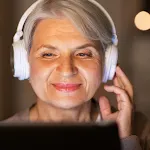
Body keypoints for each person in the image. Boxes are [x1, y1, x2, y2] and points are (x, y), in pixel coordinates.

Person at [2, 0, 143, 149]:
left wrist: (123, 140)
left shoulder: (141, 131)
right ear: (24, 63)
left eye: (83, 54)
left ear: (107, 63)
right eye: (48, 54)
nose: (67, 70)